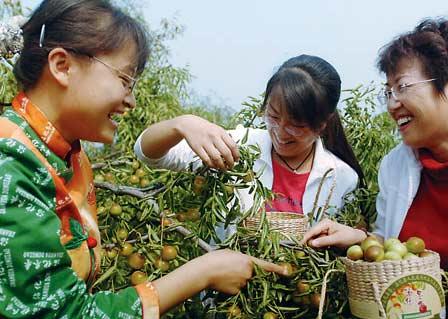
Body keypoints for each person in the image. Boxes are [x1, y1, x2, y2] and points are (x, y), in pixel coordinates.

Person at [0, 1, 286, 318]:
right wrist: (202, 272)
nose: (131, 101)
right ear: (62, 66)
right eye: (125, 80)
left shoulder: (68, 157)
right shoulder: (10, 161)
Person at [303, 17, 448, 287]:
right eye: (388, 92)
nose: (392, 104)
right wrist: (360, 239)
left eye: (402, 87)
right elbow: (389, 245)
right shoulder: (395, 167)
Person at [135, 55, 363, 224]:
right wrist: (181, 125)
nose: (280, 132)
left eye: (296, 125)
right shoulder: (238, 146)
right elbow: (148, 154)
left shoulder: (341, 179)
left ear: (322, 124)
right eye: (273, 116)